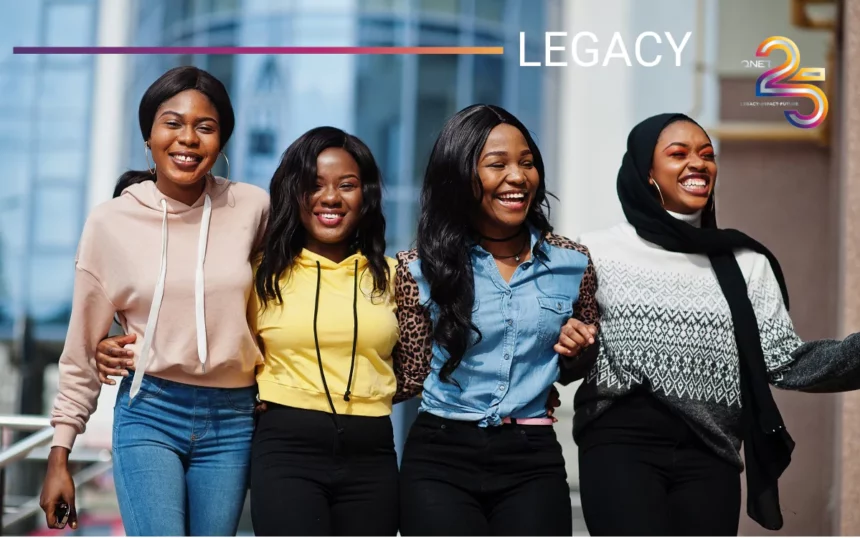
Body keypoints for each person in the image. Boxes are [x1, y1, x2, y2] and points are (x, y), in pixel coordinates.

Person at [574, 112, 860, 536]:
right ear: (645, 170)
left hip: (711, 452)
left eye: (707, 154)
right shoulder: (593, 252)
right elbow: (563, 348)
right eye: (679, 154)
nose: (698, 163)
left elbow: (785, 361)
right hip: (620, 442)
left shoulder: (746, 263)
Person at [39, 66, 270, 536]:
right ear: (149, 135)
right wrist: (59, 454)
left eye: (204, 127)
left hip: (234, 418)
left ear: (221, 141)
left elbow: (278, 306)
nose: (187, 138)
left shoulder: (252, 208)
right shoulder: (110, 223)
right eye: (173, 123)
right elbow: (81, 349)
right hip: (150, 410)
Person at [394, 104, 600, 536]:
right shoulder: (417, 269)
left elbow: (572, 370)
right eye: (497, 164)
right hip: (439, 456)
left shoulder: (572, 262)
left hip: (531, 457)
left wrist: (580, 350)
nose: (518, 177)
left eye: (527, 163)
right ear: (460, 175)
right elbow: (405, 376)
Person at [247, 126, 400, 536]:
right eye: (314, 186)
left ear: (365, 195)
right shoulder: (260, 272)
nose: (330, 198)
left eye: (346, 185)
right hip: (285, 450)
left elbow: (419, 363)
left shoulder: (394, 275)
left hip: (373, 452)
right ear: (294, 194)